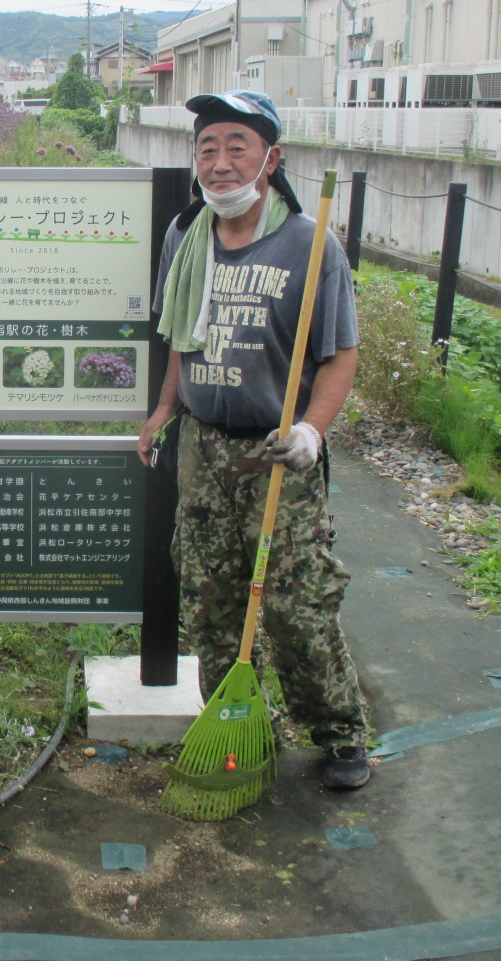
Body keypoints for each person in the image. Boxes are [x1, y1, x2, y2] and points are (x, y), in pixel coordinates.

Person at [136, 90, 369, 791]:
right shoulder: (188, 237)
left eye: (237, 145)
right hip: (204, 450)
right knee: (211, 605)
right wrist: (164, 409)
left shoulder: (310, 243)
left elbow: (340, 355)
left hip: (276, 451)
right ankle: (242, 727)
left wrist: (311, 432)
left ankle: (339, 732)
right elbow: (182, 335)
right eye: (207, 147)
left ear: (271, 159)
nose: (220, 161)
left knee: (297, 604)